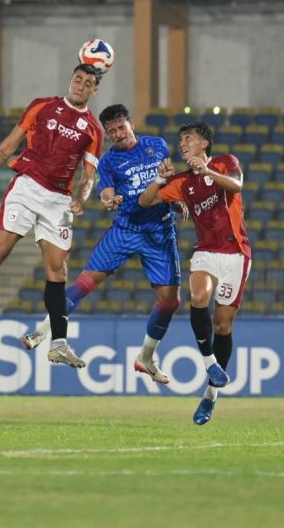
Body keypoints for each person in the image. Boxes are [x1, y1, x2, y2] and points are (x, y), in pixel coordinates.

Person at [0, 62, 105, 368]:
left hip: (58, 200)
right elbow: (8, 146)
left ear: (95, 90)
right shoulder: (42, 106)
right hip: (26, 187)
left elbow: (88, 176)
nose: (81, 85)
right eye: (78, 79)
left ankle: (58, 344)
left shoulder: (94, 130)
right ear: (70, 80)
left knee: (58, 271)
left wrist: (80, 199)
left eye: (88, 83)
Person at [21, 104, 185, 384]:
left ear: (131, 123)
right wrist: (109, 199)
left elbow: (166, 183)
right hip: (126, 228)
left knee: (171, 301)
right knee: (86, 281)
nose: (119, 134)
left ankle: (146, 357)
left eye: (122, 127)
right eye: (112, 132)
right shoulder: (108, 161)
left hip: (159, 230)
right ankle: (44, 328)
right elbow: (106, 192)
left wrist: (177, 201)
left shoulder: (156, 145)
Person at [139, 121, 250, 426]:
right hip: (206, 251)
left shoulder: (225, 162)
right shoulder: (183, 181)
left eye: (187, 138)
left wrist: (208, 171)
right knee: (198, 296)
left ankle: (210, 396)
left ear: (204, 143)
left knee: (223, 325)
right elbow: (145, 201)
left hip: (235, 253)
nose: (182, 143)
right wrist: (160, 180)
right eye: (180, 140)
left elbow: (236, 186)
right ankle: (210, 363)